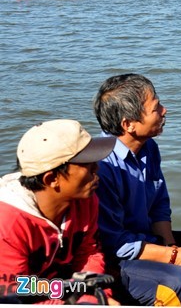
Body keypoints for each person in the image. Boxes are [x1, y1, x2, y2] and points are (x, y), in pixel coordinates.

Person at [93, 73, 181, 306]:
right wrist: (176, 258)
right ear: (128, 124)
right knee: (176, 279)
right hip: (119, 259)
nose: (164, 110)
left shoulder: (149, 148)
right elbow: (115, 242)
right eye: (156, 108)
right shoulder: (102, 166)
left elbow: (159, 206)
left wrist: (171, 247)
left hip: (149, 241)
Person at [0, 119, 119, 305]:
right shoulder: (8, 223)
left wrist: (91, 296)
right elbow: (14, 293)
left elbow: (89, 252)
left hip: (61, 285)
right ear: (52, 178)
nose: (97, 168)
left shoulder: (85, 200)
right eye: (87, 164)